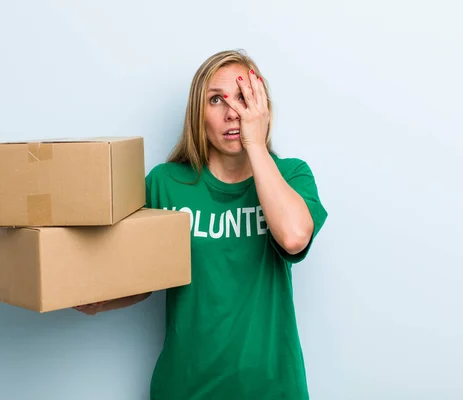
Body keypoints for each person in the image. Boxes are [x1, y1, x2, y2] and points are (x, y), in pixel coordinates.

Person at [76, 49, 328, 399]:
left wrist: (255, 142)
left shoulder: (292, 175)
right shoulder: (164, 183)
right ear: (198, 113)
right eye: (216, 100)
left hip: (272, 389)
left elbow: (294, 237)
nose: (232, 113)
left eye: (243, 98)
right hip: (185, 388)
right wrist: (100, 300)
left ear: (261, 108)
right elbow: (142, 276)